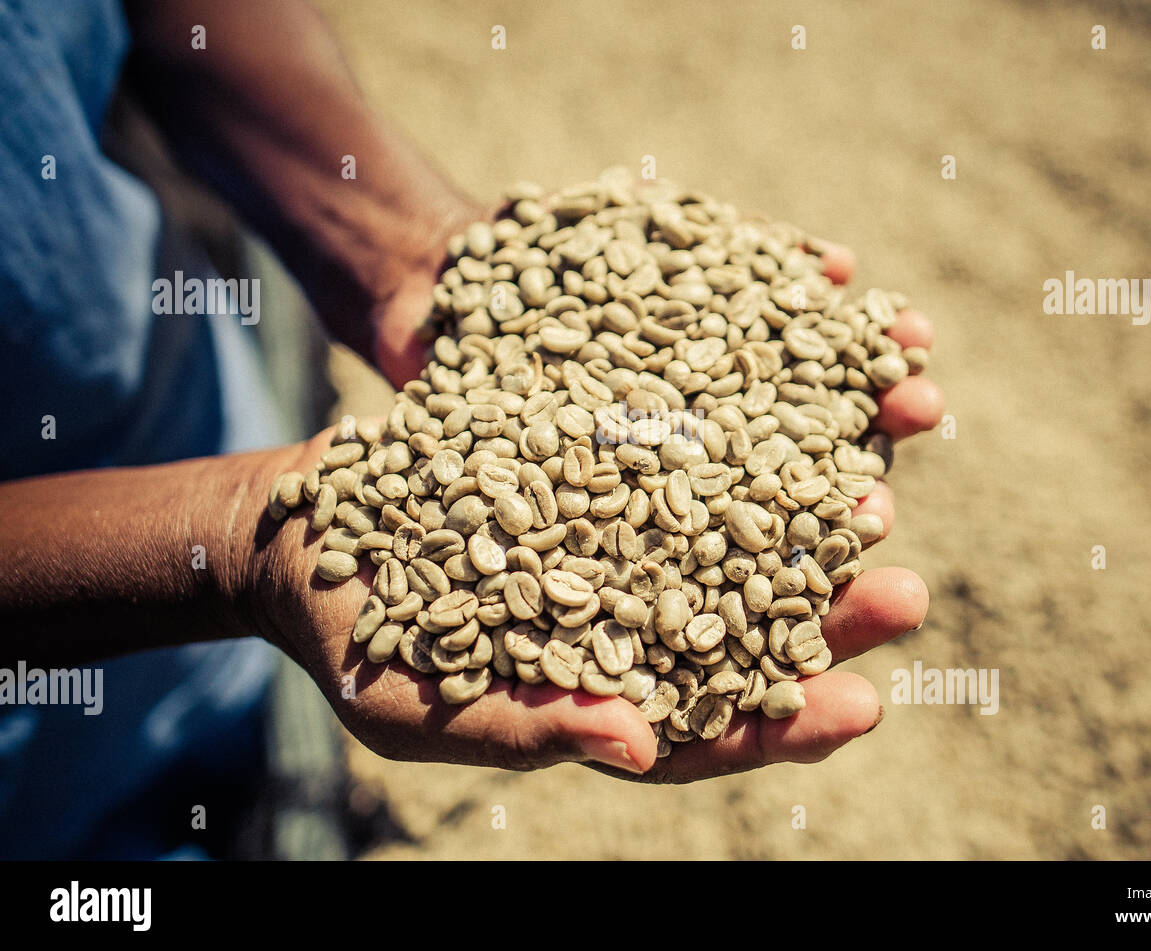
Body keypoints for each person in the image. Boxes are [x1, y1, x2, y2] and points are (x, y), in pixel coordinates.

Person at [0, 0, 945, 857]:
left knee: (225, 755)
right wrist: (237, 540)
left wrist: (406, 240)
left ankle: (236, 781)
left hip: (168, 417)